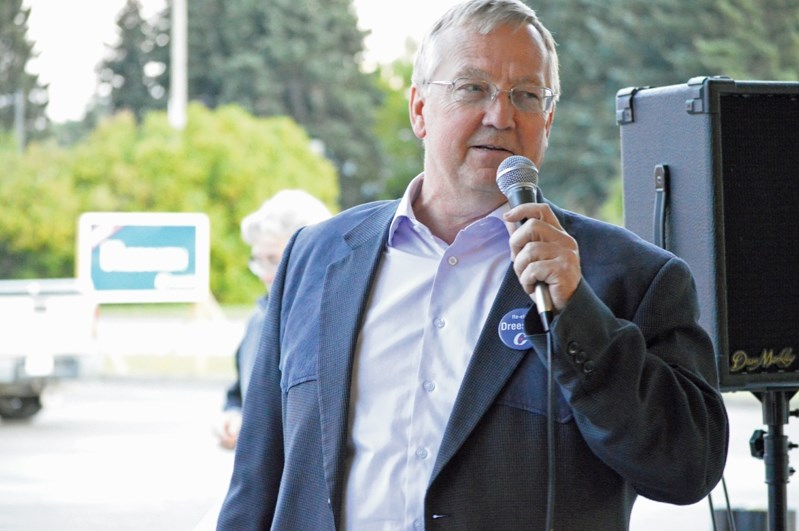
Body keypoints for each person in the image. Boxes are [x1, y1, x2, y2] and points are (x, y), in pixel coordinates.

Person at [216, 1, 729, 528]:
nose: (501, 116)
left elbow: (686, 469)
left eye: (526, 95)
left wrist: (579, 314)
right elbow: (256, 481)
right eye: (472, 88)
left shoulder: (630, 278)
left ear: (547, 120)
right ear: (419, 110)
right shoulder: (315, 258)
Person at [214, 189, 331, 450]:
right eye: (259, 261)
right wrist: (233, 415)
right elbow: (240, 392)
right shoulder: (259, 320)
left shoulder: (334, 326)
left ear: (314, 256)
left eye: (274, 261)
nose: (265, 275)